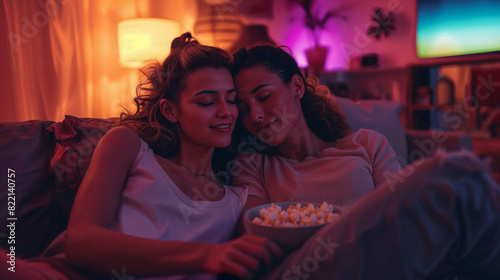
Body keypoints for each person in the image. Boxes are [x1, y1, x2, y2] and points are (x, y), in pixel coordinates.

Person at [0, 33, 282, 280]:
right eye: (207, 101)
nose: (225, 112)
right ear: (170, 111)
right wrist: (206, 255)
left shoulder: (240, 200)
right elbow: (81, 241)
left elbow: (289, 231)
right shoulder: (129, 146)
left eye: (231, 100)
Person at [229, 45, 500, 279]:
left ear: (297, 87)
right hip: (300, 270)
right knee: (456, 176)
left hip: (381, 258)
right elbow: (256, 240)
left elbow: (398, 214)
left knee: (464, 200)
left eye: (264, 97)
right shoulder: (251, 165)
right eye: (242, 107)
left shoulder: (367, 144)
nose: (256, 115)